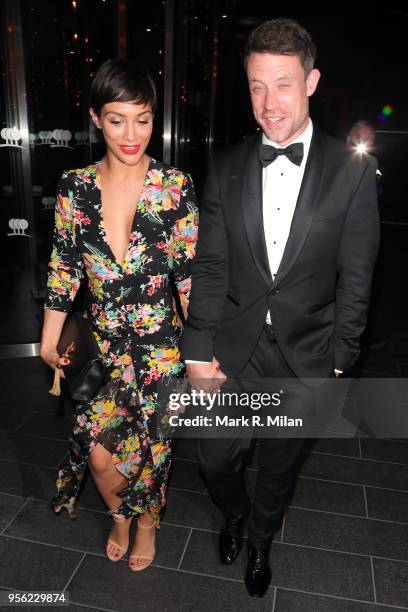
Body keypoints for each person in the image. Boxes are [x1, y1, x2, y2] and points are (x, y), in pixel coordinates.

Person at [181, 18, 379, 597]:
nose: (268, 103)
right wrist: (197, 354)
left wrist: (339, 361)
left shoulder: (352, 170)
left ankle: (261, 538)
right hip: (230, 350)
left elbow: (357, 274)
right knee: (214, 460)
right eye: (256, 86)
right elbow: (211, 267)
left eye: (283, 84)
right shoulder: (226, 166)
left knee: (280, 468)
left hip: (305, 353)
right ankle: (234, 514)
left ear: (312, 81)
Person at [40, 59, 198, 572]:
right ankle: (120, 516)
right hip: (104, 351)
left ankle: (147, 521)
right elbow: (64, 268)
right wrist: (49, 337)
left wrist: (202, 355)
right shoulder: (74, 187)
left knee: (152, 455)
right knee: (101, 457)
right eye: (117, 119)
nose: (132, 134)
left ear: (155, 120)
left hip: (162, 353)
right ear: (95, 118)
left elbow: (189, 278)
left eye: (143, 118)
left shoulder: (174, 185)